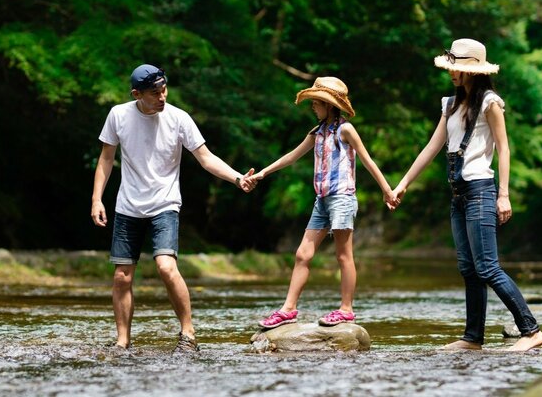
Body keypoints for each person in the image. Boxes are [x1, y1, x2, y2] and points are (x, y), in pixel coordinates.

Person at [391, 38, 542, 352]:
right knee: (468, 268)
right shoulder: (449, 105)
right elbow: (432, 147)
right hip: (458, 196)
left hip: (480, 193)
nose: (452, 73)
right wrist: (403, 182)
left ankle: (531, 331)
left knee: (488, 266)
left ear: (473, 72)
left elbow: (503, 148)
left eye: (457, 68)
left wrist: (504, 195)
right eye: (451, 67)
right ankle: (473, 338)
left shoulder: (490, 102)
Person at [90, 64, 256, 354]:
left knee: (166, 267)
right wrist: (96, 199)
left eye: (164, 89)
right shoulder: (118, 115)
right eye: (155, 93)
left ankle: (188, 334)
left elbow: (205, 157)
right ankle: (122, 341)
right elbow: (106, 159)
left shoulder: (179, 118)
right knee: (121, 276)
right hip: (128, 205)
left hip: (165, 203)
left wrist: (237, 177)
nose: (162, 97)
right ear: (136, 94)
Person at [250, 77, 397, 329]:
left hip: (342, 199)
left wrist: (387, 191)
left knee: (343, 255)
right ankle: (288, 309)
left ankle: (346, 309)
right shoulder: (316, 133)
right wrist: (263, 172)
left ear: (329, 105)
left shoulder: (346, 130)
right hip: (322, 200)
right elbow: (291, 156)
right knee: (302, 254)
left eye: (316, 103)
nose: (313, 107)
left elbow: (367, 160)